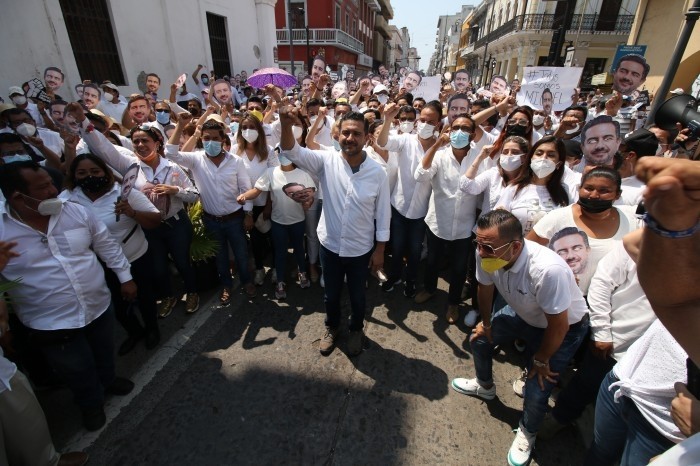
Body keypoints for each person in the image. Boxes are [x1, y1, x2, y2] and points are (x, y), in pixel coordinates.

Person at [0, 161, 136, 431]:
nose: (53, 190)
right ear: (18, 197)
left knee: (103, 352)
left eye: (51, 183)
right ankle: (90, 403)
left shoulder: (75, 211)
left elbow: (105, 244)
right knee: (76, 368)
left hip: (98, 305)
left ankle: (108, 380)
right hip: (51, 323)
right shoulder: (3, 231)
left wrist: (125, 277)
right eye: (43, 187)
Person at [450, 209, 589, 466]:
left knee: (537, 386)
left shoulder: (548, 270)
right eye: (477, 244)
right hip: (524, 312)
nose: (480, 252)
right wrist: (486, 324)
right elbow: (485, 288)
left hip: (562, 328)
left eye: (487, 247)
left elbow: (558, 326)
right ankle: (484, 386)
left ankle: (528, 430)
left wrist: (541, 359)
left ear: (515, 246)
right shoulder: (487, 252)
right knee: (480, 340)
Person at [70, 104, 201, 317]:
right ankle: (168, 296)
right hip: (148, 227)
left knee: (182, 262)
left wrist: (175, 190)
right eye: (136, 141)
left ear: (157, 143)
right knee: (158, 267)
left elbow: (194, 194)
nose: (140, 145)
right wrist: (84, 122)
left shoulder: (172, 167)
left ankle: (192, 292)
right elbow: (103, 148)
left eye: (145, 141)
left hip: (176, 224)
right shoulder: (129, 166)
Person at [278, 106, 391, 357]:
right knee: (330, 295)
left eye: (357, 134)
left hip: (360, 249)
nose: (350, 138)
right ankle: (332, 327)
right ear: (338, 135)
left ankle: (356, 329)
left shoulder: (378, 173)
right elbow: (291, 150)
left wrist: (380, 250)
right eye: (346, 133)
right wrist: (285, 124)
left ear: (366, 138)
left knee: (358, 296)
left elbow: (383, 214)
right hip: (329, 245)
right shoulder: (325, 161)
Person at [60, 154, 162, 354]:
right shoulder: (68, 199)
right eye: (82, 173)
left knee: (144, 297)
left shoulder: (124, 194)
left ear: (105, 173)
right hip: (100, 265)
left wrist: (133, 213)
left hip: (136, 258)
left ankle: (152, 328)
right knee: (116, 302)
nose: (89, 177)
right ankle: (134, 331)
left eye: (94, 171)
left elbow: (155, 220)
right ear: (74, 176)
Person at [166, 114, 256, 305]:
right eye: (207, 138)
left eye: (215, 138)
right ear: (201, 138)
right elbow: (171, 153)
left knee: (241, 253)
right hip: (211, 220)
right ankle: (226, 285)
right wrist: (180, 125)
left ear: (223, 140)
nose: (211, 142)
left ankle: (247, 281)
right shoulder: (195, 159)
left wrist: (248, 214)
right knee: (220, 256)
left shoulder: (236, 161)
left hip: (235, 218)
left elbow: (245, 189)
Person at [527, 167, 638, 294]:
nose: (594, 195)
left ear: (618, 194)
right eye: (589, 188)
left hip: (612, 301)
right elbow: (527, 251)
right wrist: (555, 272)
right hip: (566, 299)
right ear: (579, 188)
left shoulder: (631, 220)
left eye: (604, 191)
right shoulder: (557, 218)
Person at [413, 115, 481, 324]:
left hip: (464, 225)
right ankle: (430, 289)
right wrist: (436, 145)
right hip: (438, 221)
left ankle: (453, 302)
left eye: (465, 128)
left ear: (473, 134)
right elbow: (420, 175)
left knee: (459, 268)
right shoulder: (440, 155)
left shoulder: (480, 158)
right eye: (455, 127)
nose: (459, 132)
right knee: (433, 261)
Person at [377, 101, 442, 299]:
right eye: (422, 120)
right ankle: (395, 276)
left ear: (438, 124)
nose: (425, 124)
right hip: (399, 205)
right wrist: (387, 119)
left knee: (415, 250)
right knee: (397, 247)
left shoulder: (442, 148)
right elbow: (383, 142)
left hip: (421, 210)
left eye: (430, 121)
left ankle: (411, 280)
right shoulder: (406, 140)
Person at [237, 155, 316, 299]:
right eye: (281, 152)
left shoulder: (303, 174)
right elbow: (256, 190)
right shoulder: (270, 172)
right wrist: (244, 196)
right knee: (280, 252)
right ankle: (280, 281)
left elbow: (310, 196)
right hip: (278, 222)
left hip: (298, 221)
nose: (284, 156)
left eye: (288, 152)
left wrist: (307, 204)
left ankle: (303, 273)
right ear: (277, 154)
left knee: (299, 248)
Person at [231, 111, 279, 286]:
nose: (248, 130)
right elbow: (236, 181)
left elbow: (274, 179)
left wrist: (268, 206)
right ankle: (259, 269)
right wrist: (248, 213)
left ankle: (276, 268)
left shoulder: (268, 151)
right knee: (256, 240)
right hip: (246, 205)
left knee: (274, 239)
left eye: (252, 127)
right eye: (244, 127)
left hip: (267, 204)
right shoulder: (235, 151)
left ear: (259, 130)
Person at [496, 136, 574, 234]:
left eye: (551, 155)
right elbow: (497, 223)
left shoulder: (565, 191)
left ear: (559, 164)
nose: (543, 158)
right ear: (531, 158)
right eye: (539, 153)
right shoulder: (514, 189)